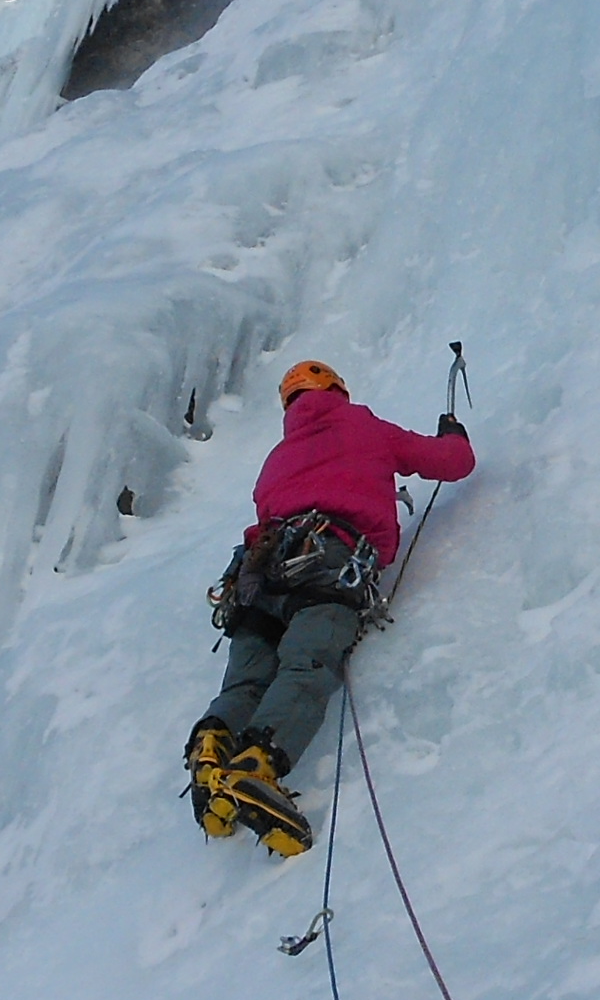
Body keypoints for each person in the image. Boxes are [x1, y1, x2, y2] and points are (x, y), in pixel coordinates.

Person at [190, 359, 473, 856]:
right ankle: (259, 764)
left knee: (247, 680)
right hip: (325, 562)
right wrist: (454, 434)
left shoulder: (278, 457)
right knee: (307, 664)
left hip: (257, 574)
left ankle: (213, 752)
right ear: (337, 391)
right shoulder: (362, 426)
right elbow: (452, 463)